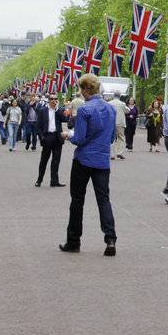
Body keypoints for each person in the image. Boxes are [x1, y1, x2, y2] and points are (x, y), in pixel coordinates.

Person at [60, 73, 117, 256]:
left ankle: (73, 241)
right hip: (102, 160)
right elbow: (110, 138)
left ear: (86, 89)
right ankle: (110, 239)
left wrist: (68, 135)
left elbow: (79, 139)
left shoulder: (84, 110)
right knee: (104, 200)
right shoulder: (110, 109)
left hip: (83, 160)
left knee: (77, 201)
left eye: (81, 89)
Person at [34, 93, 66, 187]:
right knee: (44, 160)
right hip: (47, 137)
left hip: (57, 137)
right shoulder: (42, 110)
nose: (53, 100)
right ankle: (39, 180)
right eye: (51, 99)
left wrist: (58, 109)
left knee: (56, 161)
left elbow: (65, 119)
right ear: (48, 100)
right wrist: (41, 137)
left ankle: (54, 181)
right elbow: (38, 126)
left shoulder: (59, 110)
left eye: (55, 99)